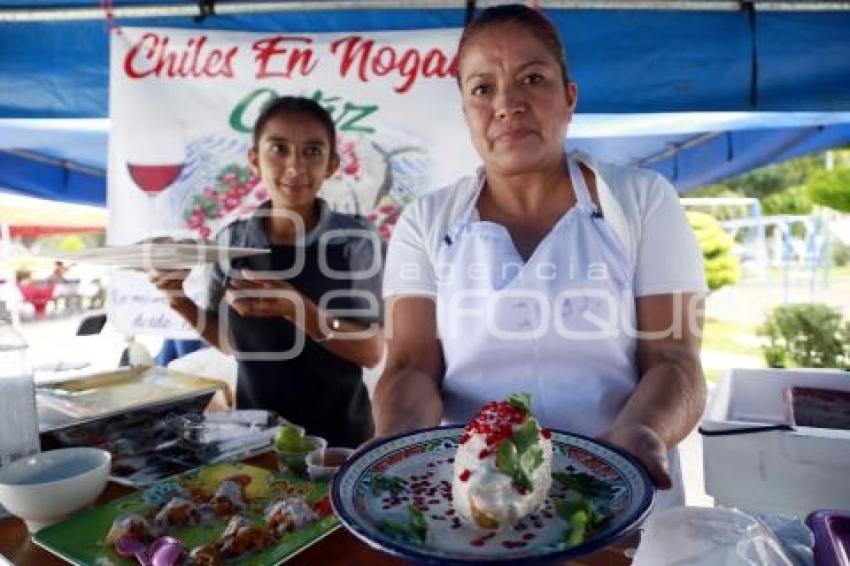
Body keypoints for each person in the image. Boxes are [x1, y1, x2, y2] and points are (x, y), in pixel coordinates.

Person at [373, 4, 708, 508]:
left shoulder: (640, 201)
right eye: (482, 88)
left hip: (618, 485)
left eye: (532, 78)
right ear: (465, 112)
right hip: (473, 499)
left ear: (569, 98)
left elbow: (673, 357)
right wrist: (395, 442)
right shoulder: (427, 221)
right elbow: (410, 365)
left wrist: (643, 432)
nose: (508, 103)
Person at [151, 96, 385, 448]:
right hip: (254, 438)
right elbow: (231, 343)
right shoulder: (232, 242)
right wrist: (178, 298)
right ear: (254, 160)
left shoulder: (357, 241)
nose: (295, 166)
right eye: (279, 148)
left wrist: (298, 309)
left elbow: (371, 352)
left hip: (339, 442)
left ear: (332, 164)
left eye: (312, 151)